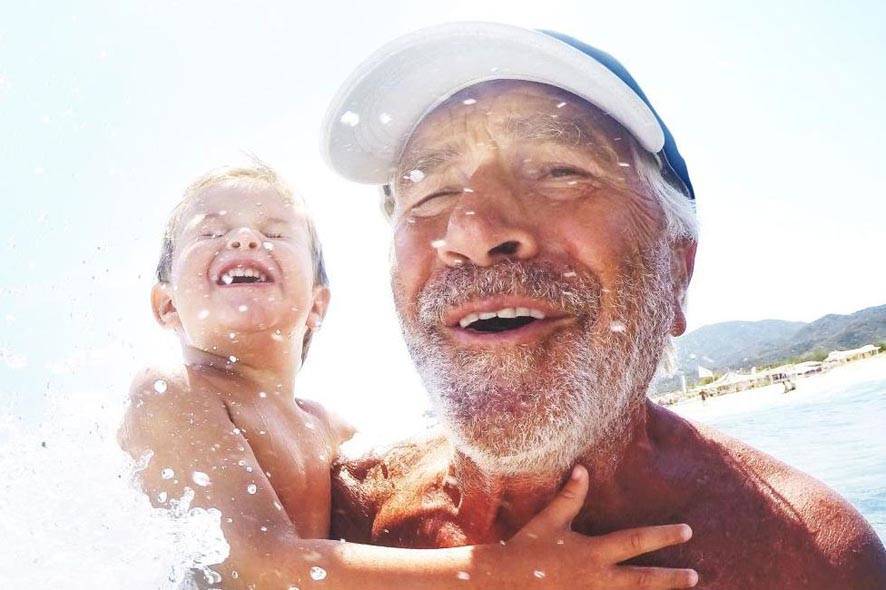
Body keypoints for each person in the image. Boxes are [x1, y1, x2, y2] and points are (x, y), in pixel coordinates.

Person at [321, 22, 886, 588]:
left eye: (560, 171)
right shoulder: (326, 518)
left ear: (678, 272)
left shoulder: (808, 561)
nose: (470, 229)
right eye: (430, 191)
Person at [118, 163, 700, 589]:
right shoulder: (173, 392)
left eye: (273, 233)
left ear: (318, 303)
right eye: (210, 232)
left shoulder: (329, 428)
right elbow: (258, 566)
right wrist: (505, 571)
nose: (243, 238)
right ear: (165, 305)